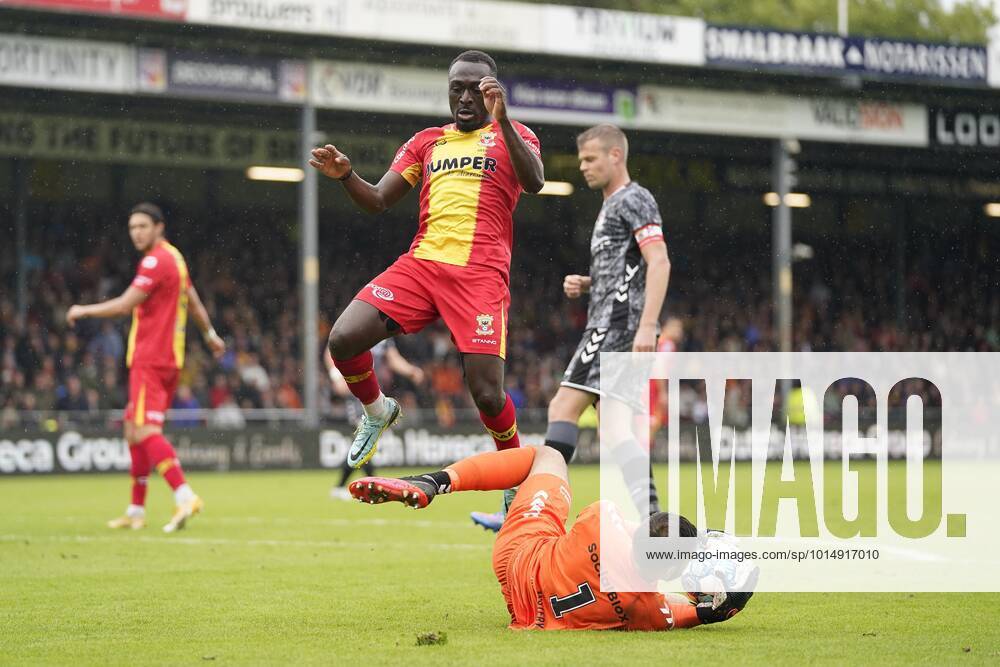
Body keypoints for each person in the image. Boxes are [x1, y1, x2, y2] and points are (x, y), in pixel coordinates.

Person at [308, 49, 543, 470]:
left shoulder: (516, 135)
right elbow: (379, 199)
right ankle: (377, 410)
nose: (467, 98)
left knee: (488, 395)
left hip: (480, 275)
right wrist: (346, 176)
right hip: (422, 266)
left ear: (493, 93)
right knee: (343, 339)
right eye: (458, 89)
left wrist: (503, 119)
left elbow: (536, 181)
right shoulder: (426, 141)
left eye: (477, 90)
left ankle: (514, 473)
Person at [472, 124, 670, 530]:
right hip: (614, 322)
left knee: (562, 408)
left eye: (590, 159)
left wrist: (648, 325)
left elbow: (660, 261)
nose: (582, 167)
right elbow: (628, 269)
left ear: (616, 156)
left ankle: (525, 514)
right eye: (581, 159)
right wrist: (591, 282)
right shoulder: (612, 204)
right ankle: (657, 525)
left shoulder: (633, 198)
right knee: (616, 434)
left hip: (616, 327)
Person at [349, 445, 755, 630]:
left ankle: (435, 482)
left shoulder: (603, 518)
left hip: (518, 554)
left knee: (548, 458)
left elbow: (637, 537)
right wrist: (711, 609)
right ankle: (509, 505)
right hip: (529, 611)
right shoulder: (646, 609)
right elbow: (687, 611)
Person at [67, 202, 225, 533]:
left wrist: (84, 310)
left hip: (150, 359)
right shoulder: (176, 258)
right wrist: (210, 334)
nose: (136, 233)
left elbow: (125, 304)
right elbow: (193, 300)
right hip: (168, 358)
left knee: (145, 431)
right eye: (132, 228)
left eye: (142, 226)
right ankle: (136, 511)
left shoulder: (155, 260)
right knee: (131, 428)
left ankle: (185, 495)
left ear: (158, 227)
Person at [325, 339, 425, 500]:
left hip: (376, 396)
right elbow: (331, 350)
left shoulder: (383, 335)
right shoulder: (357, 324)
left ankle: (352, 485)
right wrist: (336, 376)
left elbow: (393, 359)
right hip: (355, 394)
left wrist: (410, 370)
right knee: (364, 439)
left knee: (365, 441)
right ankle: (368, 485)